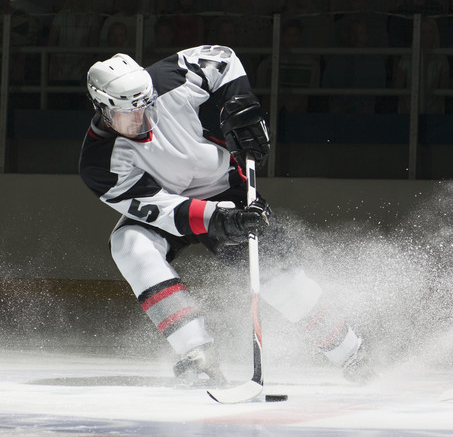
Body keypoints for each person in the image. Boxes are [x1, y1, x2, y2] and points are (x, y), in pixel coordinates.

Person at [78, 46, 373, 386]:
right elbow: (165, 210)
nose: (140, 117)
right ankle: (198, 353)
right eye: (128, 112)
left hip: (226, 188)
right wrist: (220, 219)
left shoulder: (167, 79)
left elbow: (222, 57)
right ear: (101, 107)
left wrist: (240, 106)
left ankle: (352, 354)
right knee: (128, 244)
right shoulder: (98, 164)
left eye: (145, 105)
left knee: (282, 283)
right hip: (174, 206)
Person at [393, 17, 449, 114]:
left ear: (435, 34)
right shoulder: (406, 58)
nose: (427, 36)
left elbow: (443, 93)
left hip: (434, 112)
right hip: (408, 111)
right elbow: (399, 90)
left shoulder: (442, 60)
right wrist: (404, 112)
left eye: (430, 32)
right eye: (423, 32)